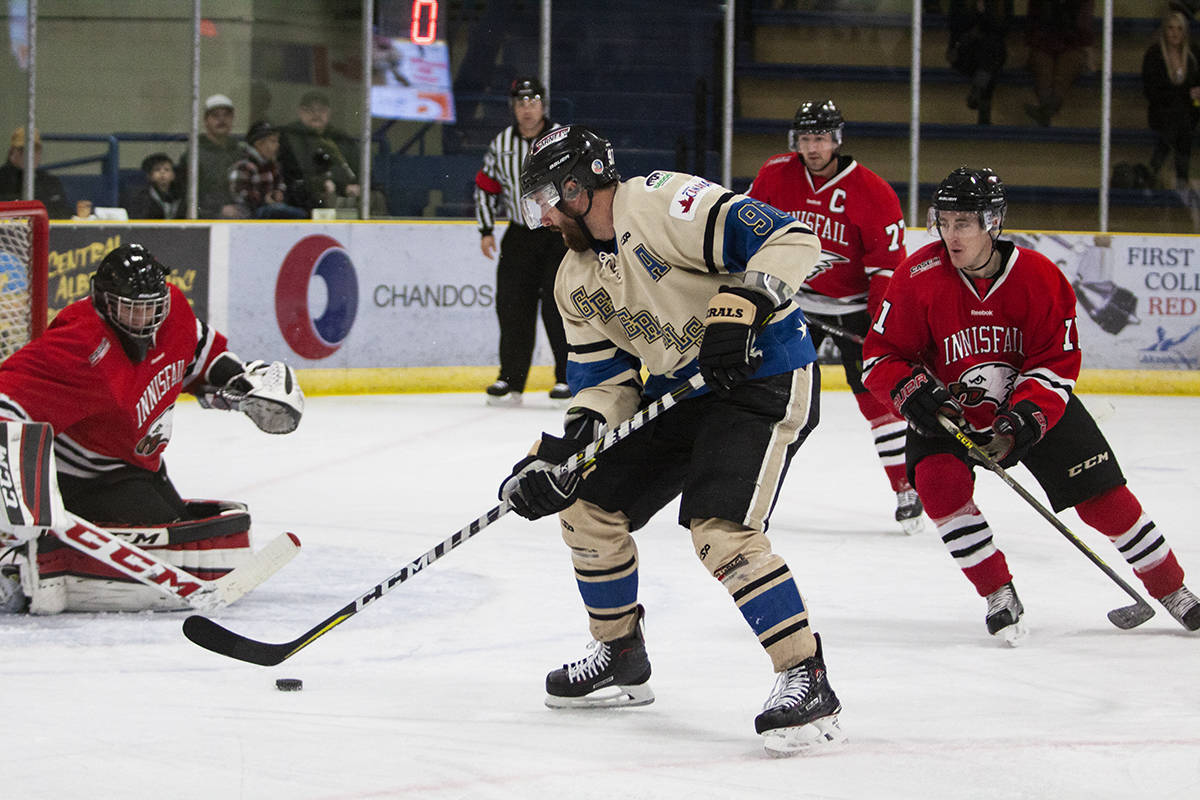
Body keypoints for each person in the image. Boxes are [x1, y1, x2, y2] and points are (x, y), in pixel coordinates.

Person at [500, 125, 845, 757]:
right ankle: (619, 653)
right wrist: (571, 450)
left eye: (548, 198)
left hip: (763, 376)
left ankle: (805, 674)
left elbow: (792, 238)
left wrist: (743, 301)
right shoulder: (573, 280)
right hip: (681, 393)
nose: (543, 217)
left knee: (719, 530)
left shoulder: (663, 202)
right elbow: (605, 382)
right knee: (586, 506)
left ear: (579, 188)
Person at [862, 167, 1200, 642]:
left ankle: (1173, 590)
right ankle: (998, 592)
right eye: (945, 221)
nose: (951, 234)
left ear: (992, 223)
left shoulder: (1040, 277)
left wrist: (1023, 419)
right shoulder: (917, 277)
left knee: (1104, 499)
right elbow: (880, 357)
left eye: (964, 223)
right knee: (939, 487)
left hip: (1027, 408)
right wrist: (914, 391)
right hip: (950, 412)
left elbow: (1056, 362)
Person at [0, 243, 304, 615]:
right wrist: (16, 479)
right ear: (105, 302)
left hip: (142, 466)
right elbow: (7, 398)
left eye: (151, 307)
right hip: (86, 478)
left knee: (190, 537)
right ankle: (18, 562)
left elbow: (200, 354)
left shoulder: (172, 308)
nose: (145, 318)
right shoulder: (78, 343)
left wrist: (240, 382)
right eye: (132, 308)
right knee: (175, 546)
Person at [747, 100, 923, 535]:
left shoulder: (873, 192)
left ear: (837, 140)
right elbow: (747, 227)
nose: (813, 146)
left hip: (854, 309)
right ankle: (748, 489)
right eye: (806, 138)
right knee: (770, 394)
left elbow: (886, 270)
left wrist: (878, 328)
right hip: (792, 300)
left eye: (821, 137)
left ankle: (905, 487)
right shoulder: (775, 173)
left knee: (876, 400)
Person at [473, 76, 570, 406]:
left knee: (559, 307)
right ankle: (510, 379)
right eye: (520, 104)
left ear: (542, 105)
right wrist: (486, 230)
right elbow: (486, 188)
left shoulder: (561, 139)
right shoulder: (501, 144)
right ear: (513, 108)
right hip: (519, 233)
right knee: (513, 307)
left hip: (558, 235)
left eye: (533, 102)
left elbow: (577, 184)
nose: (527, 110)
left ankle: (566, 378)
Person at [1141, 8, 1200, 192]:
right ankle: (1181, 177)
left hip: (1189, 112)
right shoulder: (1154, 55)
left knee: (1182, 121)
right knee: (1179, 123)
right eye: (1170, 28)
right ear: (1164, 31)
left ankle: (1154, 170)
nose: (1175, 33)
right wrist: (1184, 96)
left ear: (1185, 32)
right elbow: (1152, 91)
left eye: (1179, 29)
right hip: (1163, 111)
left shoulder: (1194, 54)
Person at [278, 90, 361, 213]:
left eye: (321, 110)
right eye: (310, 110)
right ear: (300, 112)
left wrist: (354, 185)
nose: (316, 114)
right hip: (303, 199)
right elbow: (292, 175)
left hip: (342, 197)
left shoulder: (340, 138)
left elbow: (356, 168)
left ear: (329, 113)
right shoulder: (289, 136)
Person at [1023, 0, 1095, 127]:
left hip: (1072, 45)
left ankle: (1047, 108)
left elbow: (1084, 29)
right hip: (1043, 43)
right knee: (1042, 65)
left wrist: (1089, 57)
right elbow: (1032, 27)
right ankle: (1049, 106)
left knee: (1068, 63)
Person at [176, 94, 246, 218]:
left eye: (226, 115)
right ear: (206, 120)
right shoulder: (193, 155)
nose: (222, 120)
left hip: (238, 217)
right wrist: (219, 209)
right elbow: (188, 196)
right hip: (204, 220)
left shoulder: (240, 153)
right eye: (215, 116)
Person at [945, 0, 1013, 125]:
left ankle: (978, 89)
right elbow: (954, 25)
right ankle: (983, 108)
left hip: (990, 50)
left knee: (991, 50)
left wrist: (984, 14)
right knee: (991, 58)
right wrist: (976, 14)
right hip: (965, 51)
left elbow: (1005, 28)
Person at [229, 121, 307, 219]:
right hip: (249, 215)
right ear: (259, 144)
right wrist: (263, 199)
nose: (278, 145)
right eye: (273, 141)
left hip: (270, 209)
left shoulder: (273, 166)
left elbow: (280, 184)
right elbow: (241, 195)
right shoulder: (244, 166)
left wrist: (279, 193)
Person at [0, 127, 72, 219]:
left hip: (48, 231)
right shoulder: (2, 180)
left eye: (35, 149)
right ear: (12, 152)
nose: (30, 154)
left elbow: (65, 214)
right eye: (23, 150)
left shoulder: (50, 182)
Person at [124, 152, 183, 220]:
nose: (162, 173)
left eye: (167, 169)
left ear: (173, 175)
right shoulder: (142, 197)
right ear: (149, 175)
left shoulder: (180, 196)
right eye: (157, 169)